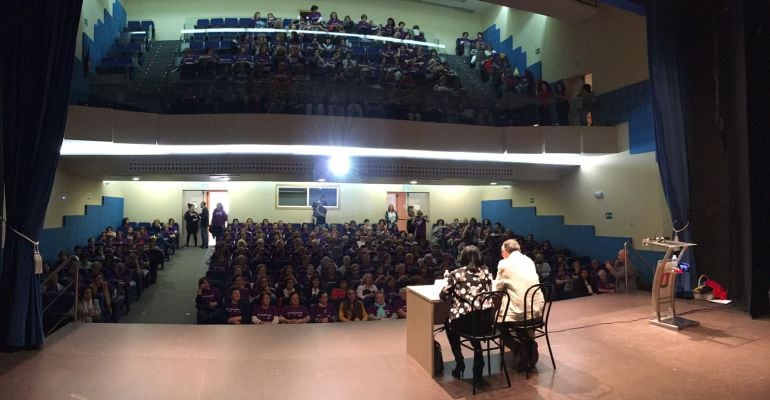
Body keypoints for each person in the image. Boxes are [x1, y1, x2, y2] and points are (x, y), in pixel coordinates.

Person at [441, 245, 493, 386]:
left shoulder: (456, 274)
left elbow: (443, 296)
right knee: (473, 321)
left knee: (449, 324)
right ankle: (478, 360)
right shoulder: (487, 271)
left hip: (468, 323)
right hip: (487, 322)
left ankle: (459, 362)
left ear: (462, 258)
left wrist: (448, 280)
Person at [495, 239, 543, 363]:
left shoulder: (504, 263)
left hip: (520, 314)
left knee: (498, 322)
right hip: (537, 312)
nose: (501, 254)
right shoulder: (529, 261)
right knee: (519, 318)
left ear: (506, 252)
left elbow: (497, 288)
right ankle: (529, 343)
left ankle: (517, 348)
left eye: (502, 252)